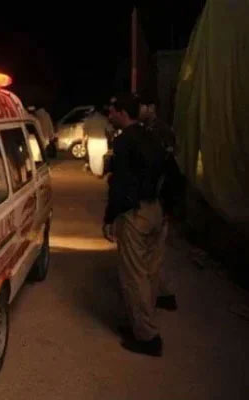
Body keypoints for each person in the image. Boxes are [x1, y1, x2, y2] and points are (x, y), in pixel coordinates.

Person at [103, 93, 167, 357]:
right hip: (157, 211)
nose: (109, 115)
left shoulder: (124, 142)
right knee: (150, 273)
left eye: (112, 111)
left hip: (136, 213)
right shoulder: (151, 136)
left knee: (134, 276)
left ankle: (147, 337)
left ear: (122, 113)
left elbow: (120, 185)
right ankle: (142, 324)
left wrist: (109, 218)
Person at [140, 100, 181, 311]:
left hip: (160, 201)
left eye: (144, 107)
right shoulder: (148, 129)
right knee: (153, 257)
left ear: (153, 108)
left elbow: (168, 173)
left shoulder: (160, 132)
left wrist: (166, 207)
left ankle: (157, 298)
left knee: (153, 257)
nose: (140, 111)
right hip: (158, 200)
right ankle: (162, 294)